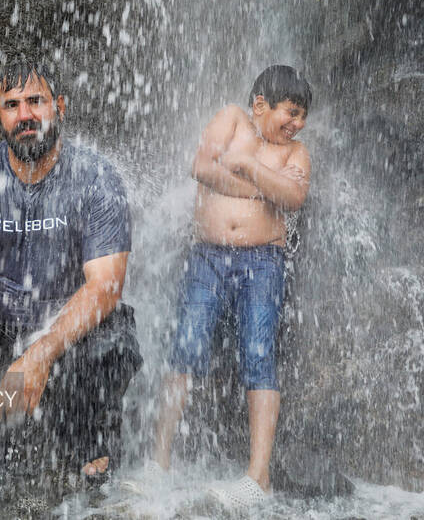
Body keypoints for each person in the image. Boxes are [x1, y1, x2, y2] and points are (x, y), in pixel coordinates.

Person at [0, 54, 141, 480]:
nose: (25, 115)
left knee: (115, 344)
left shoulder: (96, 178)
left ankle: (89, 440)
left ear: (60, 106)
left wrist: (40, 354)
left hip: (68, 334)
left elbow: (105, 287)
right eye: (12, 105)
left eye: (35, 101)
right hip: (1, 328)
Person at [123, 65, 311, 510]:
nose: (297, 123)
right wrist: (260, 188)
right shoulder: (231, 118)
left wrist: (249, 167)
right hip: (207, 256)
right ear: (261, 104)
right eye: (291, 112)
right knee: (185, 347)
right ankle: (158, 464)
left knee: (259, 355)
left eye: (303, 116)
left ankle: (258, 477)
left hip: (264, 262)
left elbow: (294, 197)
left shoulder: (296, 152)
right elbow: (201, 167)